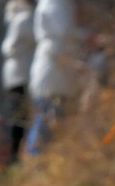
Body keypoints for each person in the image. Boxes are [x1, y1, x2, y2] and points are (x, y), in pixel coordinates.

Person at [27, 0, 85, 155]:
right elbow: (64, 31)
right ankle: (36, 161)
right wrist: (86, 36)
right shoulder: (54, 4)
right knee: (46, 121)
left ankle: (39, 161)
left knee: (49, 121)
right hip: (52, 78)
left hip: (55, 77)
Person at [1, 0, 35, 162]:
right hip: (21, 71)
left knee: (17, 114)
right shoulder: (25, 17)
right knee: (20, 115)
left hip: (13, 72)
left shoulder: (14, 16)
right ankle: (15, 155)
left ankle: (14, 154)